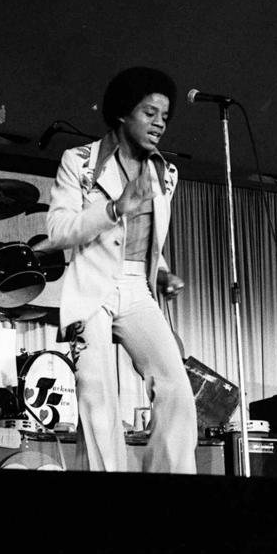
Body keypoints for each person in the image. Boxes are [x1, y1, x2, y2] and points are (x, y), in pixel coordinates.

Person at [46, 66, 195, 473]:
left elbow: (145, 235)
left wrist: (162, 271)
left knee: (176, 388)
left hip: (136, 285)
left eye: (165, 116)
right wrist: (114, 208)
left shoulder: (165, 172)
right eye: (150, 113)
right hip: (91, 283)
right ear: (122, 114)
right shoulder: (79, 161)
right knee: (97, 394)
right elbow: (59, 230)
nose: (159, 124)